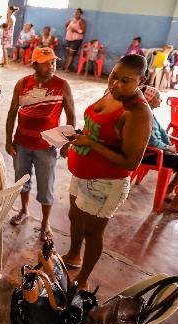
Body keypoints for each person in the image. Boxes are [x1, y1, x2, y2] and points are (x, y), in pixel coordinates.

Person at [63, 55, 152, 290]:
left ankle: (82, 279)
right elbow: (98, 130)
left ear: (141, 81)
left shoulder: (138, 114)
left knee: (92, 232)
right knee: (74, 217)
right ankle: (73, 255)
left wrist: (91, 144)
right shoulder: (112, 93)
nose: (115, 85)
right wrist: (74, 136)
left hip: (105, 183)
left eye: (126, 81)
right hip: (81, 174)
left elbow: (131, 162)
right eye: (114, 76)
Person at [5, 47, 76, 242]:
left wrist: (67, 143)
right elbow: (12, 112)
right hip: (21, 144)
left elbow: (71, 114)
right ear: (35, 64)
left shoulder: (62, 85)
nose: (52, 65)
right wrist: (8, 140)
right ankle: (24, 210)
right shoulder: (22, 84)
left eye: (53, 61)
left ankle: (45, 223)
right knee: (22, 182)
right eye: (47, 62)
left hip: (47, 147)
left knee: (46, 187)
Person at [141, 86, 178, 216]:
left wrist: (170, 146)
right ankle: (176, 203)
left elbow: (162, 132)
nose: (161, 100)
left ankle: (168, 191)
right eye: (158, 98)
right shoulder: (144, 115)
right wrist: (166, 148)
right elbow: (151, 141)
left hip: (159, 150)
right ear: (150, 100)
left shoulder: (150, 114)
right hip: (152, 153)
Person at [63, 8, 87, 72]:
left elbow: (83, 31)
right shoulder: (71, 20)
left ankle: (67, 68)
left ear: (80, 14)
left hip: (77, 39)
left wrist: (75, 31)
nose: (76, 13)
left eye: (78, 12)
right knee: (68, 53)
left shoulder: (82, 21)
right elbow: (66, 25)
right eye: (75, 12)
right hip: (69, 38)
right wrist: (68, 28)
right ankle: (65, 67)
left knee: (71, 53)